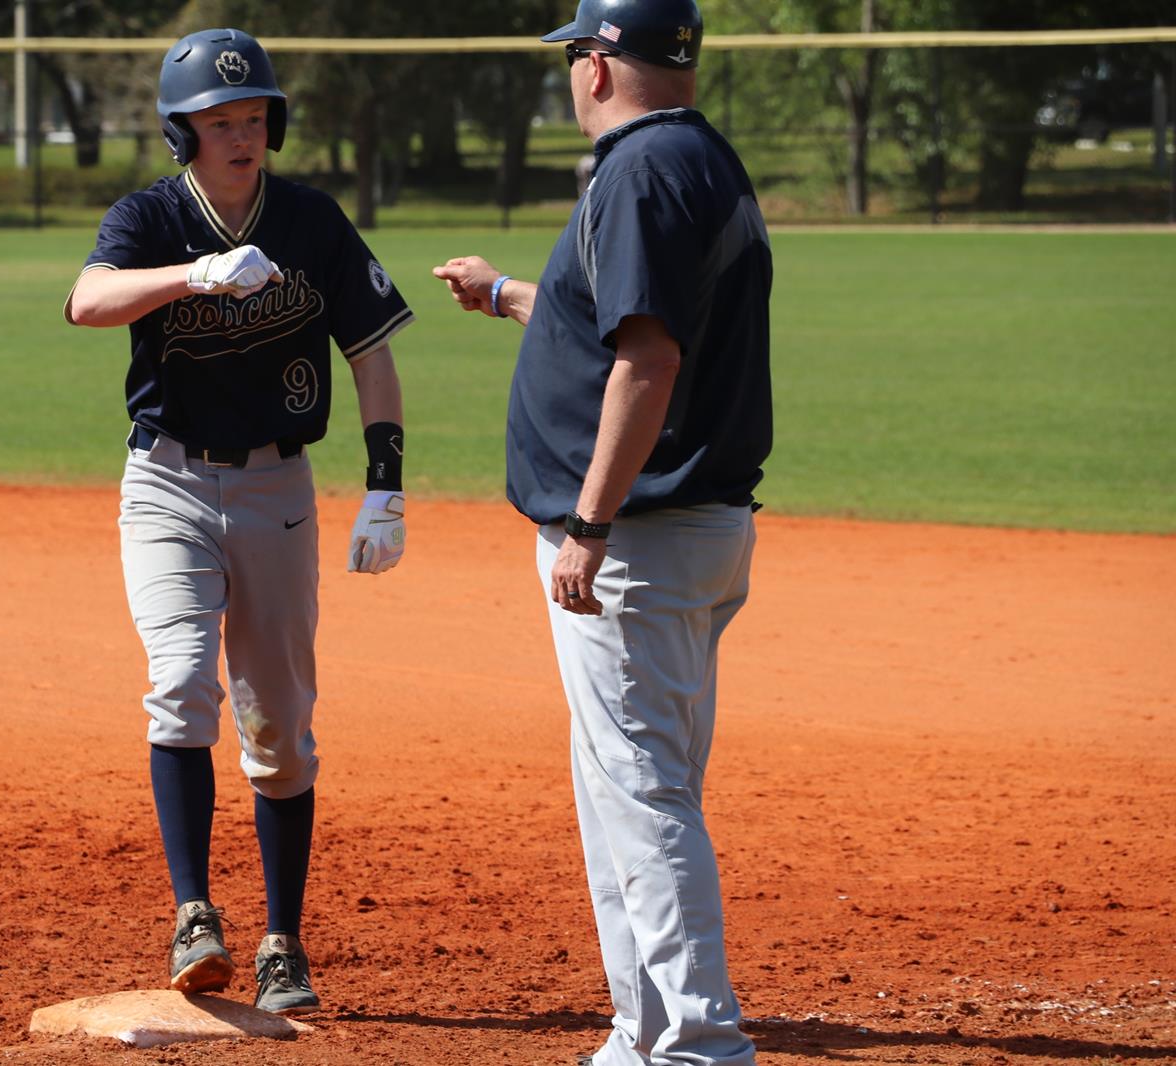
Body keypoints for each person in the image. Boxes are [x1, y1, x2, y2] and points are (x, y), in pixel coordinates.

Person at [433, 0, 771, 1062]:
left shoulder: (635, 172)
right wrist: (501, 296)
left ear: (597, 65)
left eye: (576, 51)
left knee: (644, 790)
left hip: (640, 541)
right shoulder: (695, 158)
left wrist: (588, 523)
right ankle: (644, 1031)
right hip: (685, 533)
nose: (571, 69)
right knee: (624, 786)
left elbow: (648, 361)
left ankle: (697, 1044)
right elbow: (615, 320)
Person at [63, 27, 411, 1016]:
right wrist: (190, 278)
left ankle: (283, 941)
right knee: (178, 685)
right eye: (220, 122)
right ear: (183, 135)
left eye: (253, 117)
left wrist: (384, 481)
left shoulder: (311, 222)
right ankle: (192, 914)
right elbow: (86, 300)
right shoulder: (148, 218)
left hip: (277, 492)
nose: (241, 135)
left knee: (279, 728)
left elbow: (373, 350)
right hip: (166, 484)